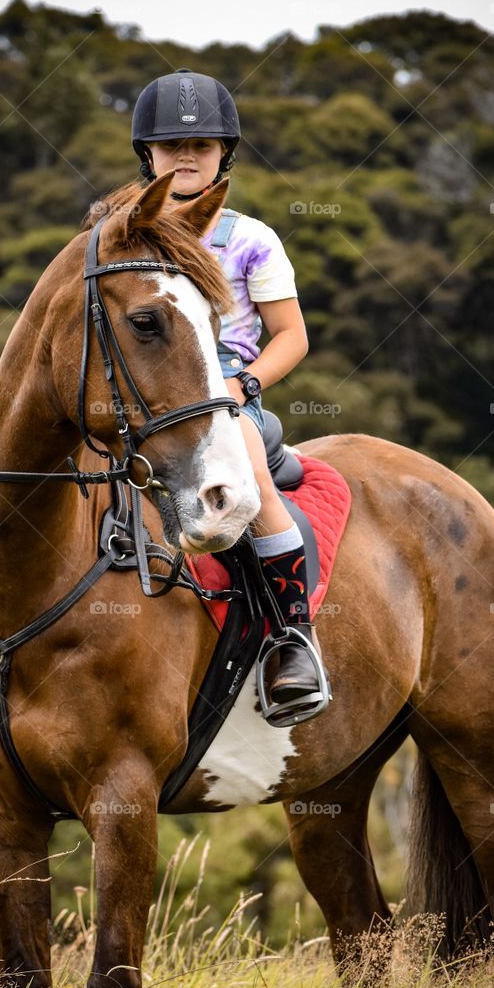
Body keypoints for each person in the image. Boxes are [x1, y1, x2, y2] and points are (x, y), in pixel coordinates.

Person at [131, 69, 329, 719]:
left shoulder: (251, 239)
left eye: (204, 146)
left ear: (224, 155)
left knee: (244, 466)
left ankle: (292, 638)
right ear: (147, 155)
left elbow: (291, 336)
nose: (187, 157)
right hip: (137, 388)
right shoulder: (120, 235)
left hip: (223, 393)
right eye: (171, 147)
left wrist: (245, 385)